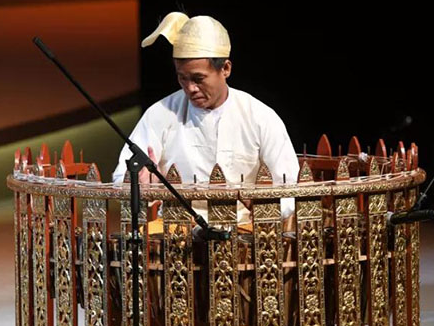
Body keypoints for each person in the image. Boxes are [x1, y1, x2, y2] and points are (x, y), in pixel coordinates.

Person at [112, 12, 299, 221]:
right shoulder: (160, 114)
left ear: (225, 69)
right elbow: (121, 176)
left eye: (198, 78)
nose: (190, 88)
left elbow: (290, 188)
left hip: (244, 230)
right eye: (182, 78)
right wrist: (140, 185)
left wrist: (263, 207)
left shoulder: (259, 117)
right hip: (176, 230)